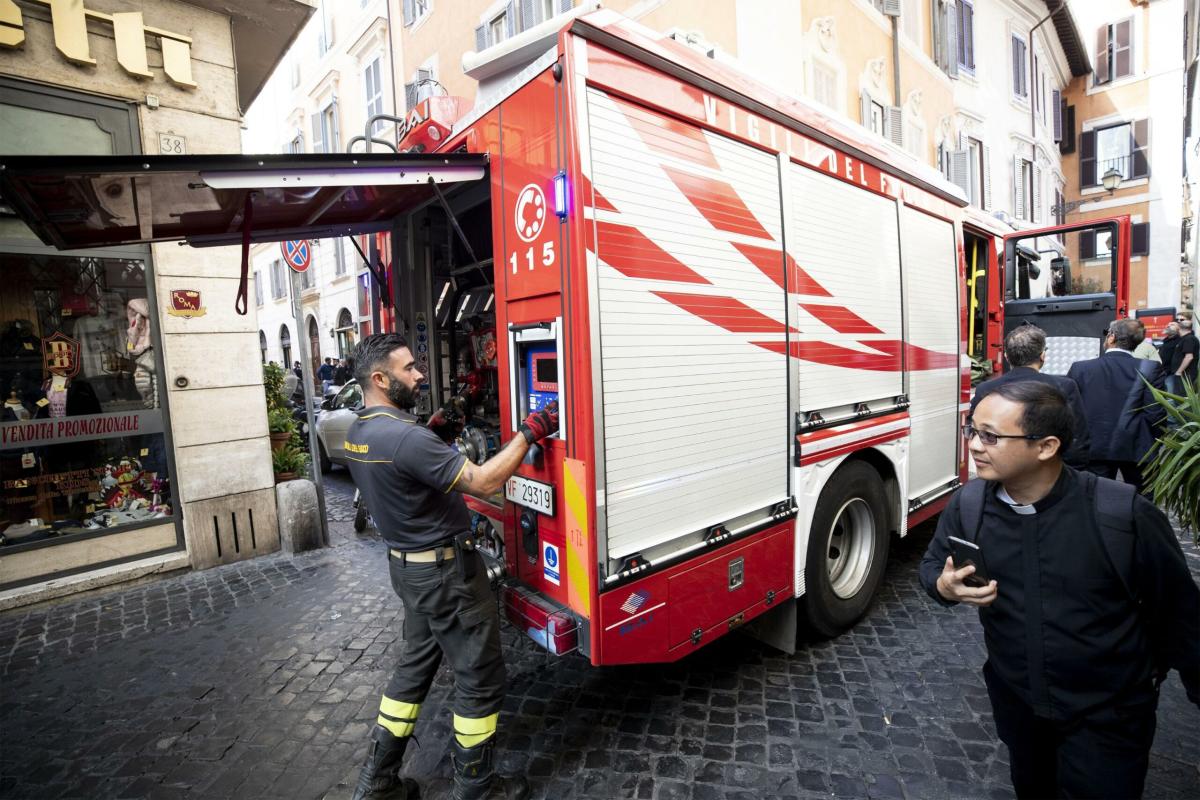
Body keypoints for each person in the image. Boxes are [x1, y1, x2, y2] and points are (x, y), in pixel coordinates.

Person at [919, 381, 1199, 800]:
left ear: (1046, 446)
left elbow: (1183, 619)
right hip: (1019, 708)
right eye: (971, 431)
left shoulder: (1121, 514)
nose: (975, 446)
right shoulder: (969, 504)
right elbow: (931, 568)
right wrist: (943, 586)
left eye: (991, 436)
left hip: (1108, 719)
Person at [345, 333, 555, 800]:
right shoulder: (406, 437)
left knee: (413, 669)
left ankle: (376, 782)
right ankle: (477, 787)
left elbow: (403, 472)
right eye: (408, 369)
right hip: (448, 578)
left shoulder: (358, 431)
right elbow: (482, 482)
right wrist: (530, 431)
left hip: (410, 574)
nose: (419, 375)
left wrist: (436, 435)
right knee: (479, 677)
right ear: (380, 379)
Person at [969, 324, 1090, 469]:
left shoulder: (986, 388)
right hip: (1049, 469)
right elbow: (1077, 436)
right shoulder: (1064, 386)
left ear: (1007, 356)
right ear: (1042, 355)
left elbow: (977, 432)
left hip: (1000, 467)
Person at [1066, 318, 1164, 493]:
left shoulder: (1081, 369)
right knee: (1141, 503)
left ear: (1111, 337)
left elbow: (1070, 411)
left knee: (1095, 501)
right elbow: (1155, 414)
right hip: (1137, 449)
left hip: (1094, 448)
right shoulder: (1151, 368)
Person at [1168, 316, 1197, 393]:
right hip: (1182, 375)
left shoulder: (1189, 339)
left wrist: (1179, 371)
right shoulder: (1184, 339)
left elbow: (1189, 357)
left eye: (1181, 320)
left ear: (1178, 328)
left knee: (1181, 398)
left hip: (1185, 376)